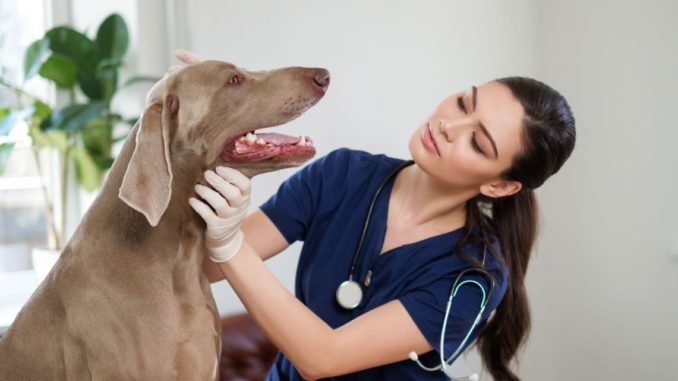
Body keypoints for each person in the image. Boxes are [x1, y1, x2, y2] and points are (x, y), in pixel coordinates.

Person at [185, 51, 576, 380]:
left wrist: (230, 243)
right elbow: (205, 266)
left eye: (476, 141)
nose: (449, 126)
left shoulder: (474, 279)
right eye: (463, 103)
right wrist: (215, 117)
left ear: (499, 186)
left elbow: (324, 357)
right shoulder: (341, 175)